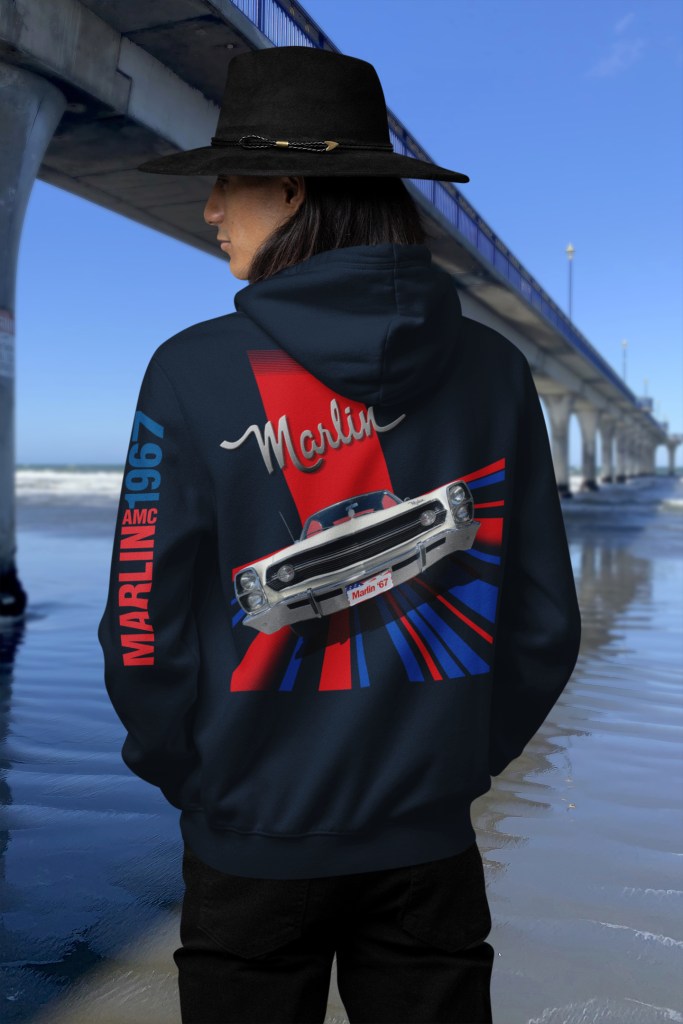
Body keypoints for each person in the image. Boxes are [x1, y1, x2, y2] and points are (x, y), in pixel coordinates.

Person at [98, 45, 581, 1024]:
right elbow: (540, 621)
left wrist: (200, 777)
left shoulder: (191, 372)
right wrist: (450, 767)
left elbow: (141, 625)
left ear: (285, 188)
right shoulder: (490, 371)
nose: (209, 210)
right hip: (426, 841)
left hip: (251, 842)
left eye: (224, 184)